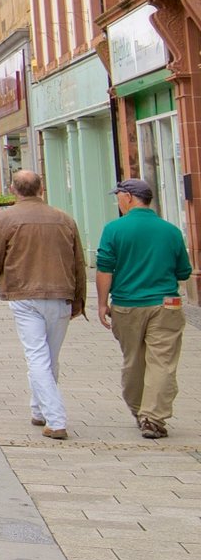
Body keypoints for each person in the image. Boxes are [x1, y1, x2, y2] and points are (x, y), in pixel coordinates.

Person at [0, 170, 85, 440]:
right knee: (50, 356)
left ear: (13, 189)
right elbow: (78, 262)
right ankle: (39, 410)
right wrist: (79, 300)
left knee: (37, 356)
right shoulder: (64, 219)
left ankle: (56, 419)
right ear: (41, 188)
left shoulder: (4, 219)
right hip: (60, 294)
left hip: (24, 295)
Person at [96, 177, 193, 439]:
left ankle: (140, 410)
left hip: (127, 305)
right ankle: (153, 416)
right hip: (166, 304)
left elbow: (105, 269)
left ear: (128, 197)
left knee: (134, 361)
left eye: (118, 195)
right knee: (162, 361)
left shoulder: (114, 229)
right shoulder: (171, 231)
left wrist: (102, 303)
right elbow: (184, 271)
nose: (117, 201)